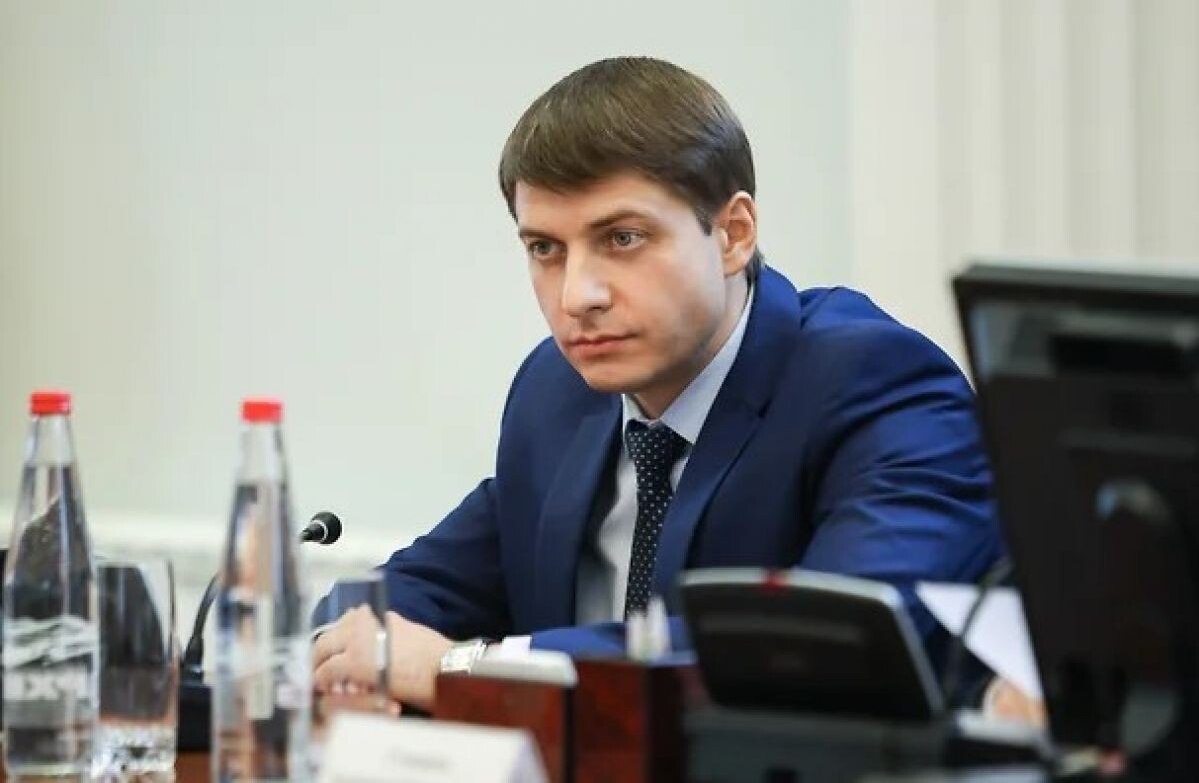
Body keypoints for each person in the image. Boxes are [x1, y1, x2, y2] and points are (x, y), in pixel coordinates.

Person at [312, 57, 1004, 711]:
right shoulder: (555, 392)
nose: (577, 296)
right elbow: (402, 596)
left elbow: (820, 649)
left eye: (622, 239)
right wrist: (341, 653)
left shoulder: (876, 383)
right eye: (545, 249)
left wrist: (464, 670)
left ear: (733, 234)